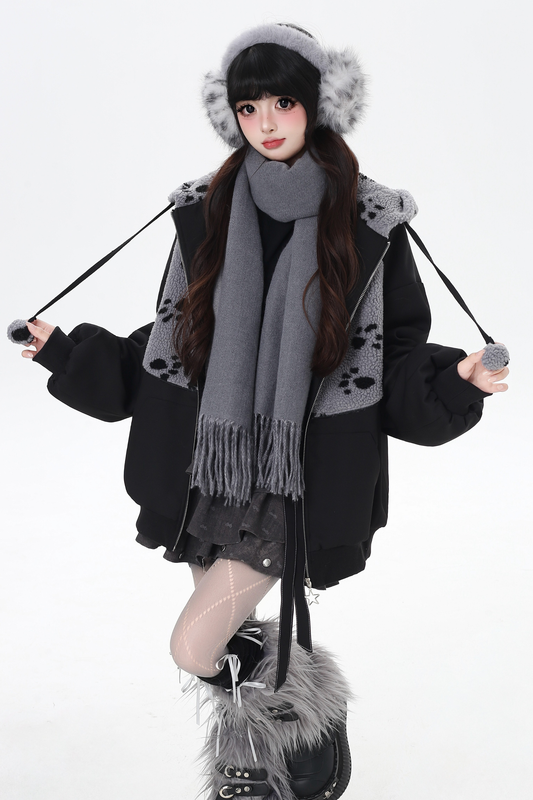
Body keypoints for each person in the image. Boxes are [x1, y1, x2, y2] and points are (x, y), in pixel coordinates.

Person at [12, 22, 509, 800]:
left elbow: (391, 358)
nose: (266, 122)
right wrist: (64, 352)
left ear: (320, 104)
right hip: (207, 466)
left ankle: (300, 723)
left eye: (282, 102)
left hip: (291, 479)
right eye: (248, 107)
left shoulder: (366, 224)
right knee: (225, 639)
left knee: (193, 647)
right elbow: (170, 346)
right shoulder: (207, 212)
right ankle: (280, 750)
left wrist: (460, 379)